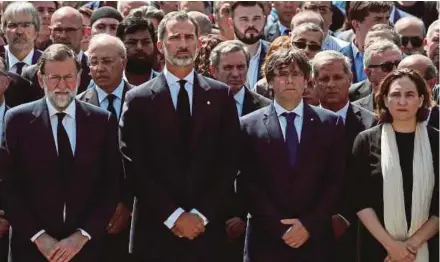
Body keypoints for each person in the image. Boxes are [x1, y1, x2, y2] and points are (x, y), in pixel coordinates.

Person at [120, 11, 240, 261]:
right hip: (155, 234)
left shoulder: (221, 97)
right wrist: (174, 216)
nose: (183, 44)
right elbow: (134, 165)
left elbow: (229, 162)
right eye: (176, 37)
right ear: (161, 45)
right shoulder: (138, 100)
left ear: (198, 42)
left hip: (207, 233)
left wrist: (200, 214)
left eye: (189, 37)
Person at [0, 44, 121, 262]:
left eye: (68, 77)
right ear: (41, 79)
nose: (62, 85)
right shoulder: (18, 120)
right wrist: (39, 237)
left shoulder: (102, 121)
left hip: (87, 249)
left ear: (79, 77)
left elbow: (111, 184)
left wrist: (81, 236)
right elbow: (9, 186)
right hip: (31, 249)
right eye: (54, 78)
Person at [240, 48, 346, 262]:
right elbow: (246, 182)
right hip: (265, 240)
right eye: (282, 74)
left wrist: (307, 225)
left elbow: (335, 181)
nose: (290, 80)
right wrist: (279, 227)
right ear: (270, 82)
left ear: (307, 80)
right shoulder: (248, 126)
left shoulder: (330, 123)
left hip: (314, 240)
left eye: (296, 74)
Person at [348, 68, 439, 262]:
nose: (402, 101)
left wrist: (410, 246)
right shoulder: (365, 141)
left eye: (410, 95)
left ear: (421, 100)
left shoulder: (437, 141)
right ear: (385, 100)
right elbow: (358, 199)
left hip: (427, 249)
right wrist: (392, 247)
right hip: (377, 248)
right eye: (395, 95)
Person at [311, 50, 377, 262]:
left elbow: (371, 178)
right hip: (310, 228)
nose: (331, 84)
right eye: (324, 78)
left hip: (359, 228)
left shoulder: (372, 124)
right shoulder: (302, 122)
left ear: (350, 79)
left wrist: (345, 216)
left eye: (338, 77)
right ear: (313, 82)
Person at [77, 34, 132, 262]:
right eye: (94, 62)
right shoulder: (75, 107)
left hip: (134, 217)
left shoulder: (144, 102)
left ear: (123, 62)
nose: (100, 68)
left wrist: (128, 204)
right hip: (86, 220)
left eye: (107, 61)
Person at [22, 7, 91, 101]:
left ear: (83, 32)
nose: (63, 35)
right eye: (58, 30)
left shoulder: (94, 71)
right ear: (50, 33)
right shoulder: (31, 74)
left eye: (70, 30)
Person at [339, 2, 392, 83]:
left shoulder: (398, 58)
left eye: (387, 18)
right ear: (356, 24)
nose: (385, 25)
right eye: (378, 19)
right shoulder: (339, 57)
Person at [352, 41, 403, 112]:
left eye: (399, 64)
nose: (396, 70)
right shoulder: (355, 111)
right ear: (369, 73)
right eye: (387, 67)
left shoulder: (415, 107)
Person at [231, 1, 269, 89]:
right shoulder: (218, 56)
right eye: (244, 19)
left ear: (265, 20)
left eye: (256, 18)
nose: (251, 24)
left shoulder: (275, 54)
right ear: (231, 22)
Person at [116, 11, 158, 86]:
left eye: (146, 42)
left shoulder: (168, 85)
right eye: (132, 42)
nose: (139, 47)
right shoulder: (107, 84)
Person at [1, 2, 42, 75]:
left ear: (36, 31)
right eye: (13, 25)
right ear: (4, 32)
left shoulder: (47, 62)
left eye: (26, 25)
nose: (19, 32)